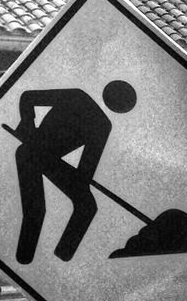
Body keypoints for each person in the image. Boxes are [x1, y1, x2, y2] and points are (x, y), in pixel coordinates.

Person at [12, 79, 136, 264]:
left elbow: (86, 169)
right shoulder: (76, 97)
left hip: (49, 160)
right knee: (36, 210)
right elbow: (28, 97)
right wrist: (28, 124)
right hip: (30, 152)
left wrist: (80, 181)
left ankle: (62, 258)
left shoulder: (102, 125)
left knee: (86, 206)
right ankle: (25, 258)